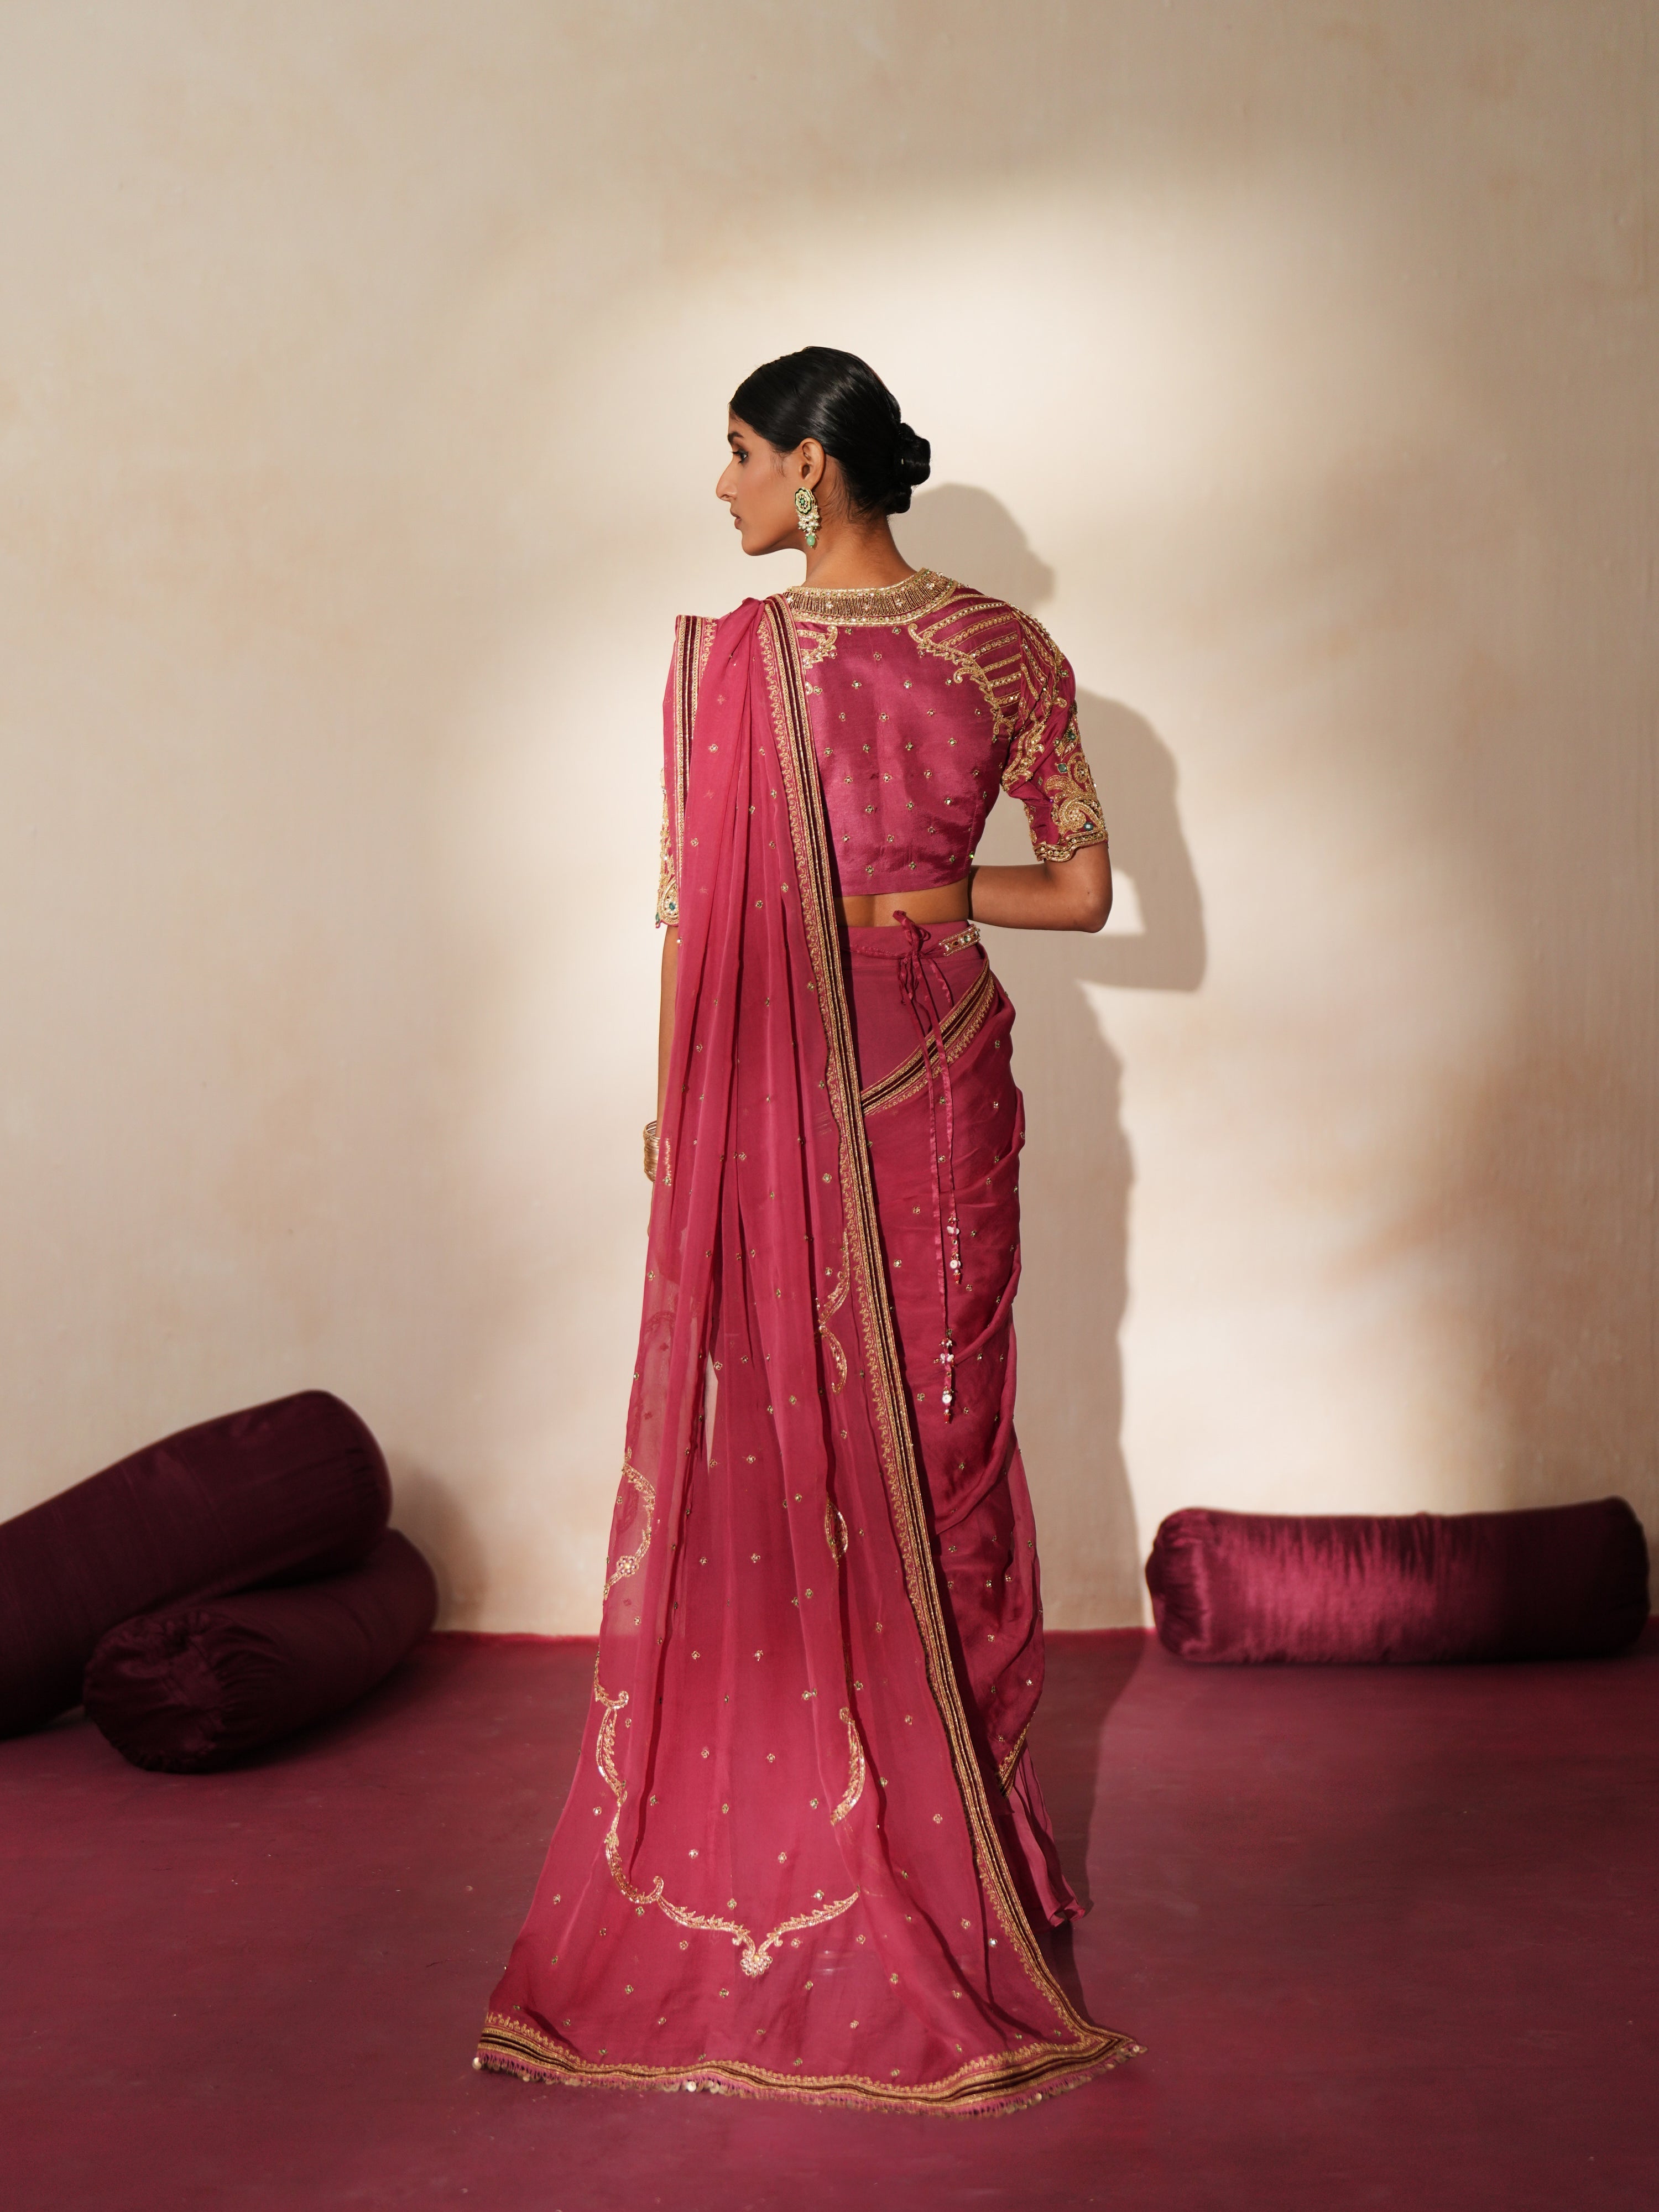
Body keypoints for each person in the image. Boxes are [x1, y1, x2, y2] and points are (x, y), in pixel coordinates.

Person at [477, 348, 1140, 2111]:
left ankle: (973, 1861)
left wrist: (942, 890)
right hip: (776, 1098)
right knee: (789, 1468)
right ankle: (846, 1838)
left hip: (932, 1105)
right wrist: (682, 1101)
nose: (723, 489)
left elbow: (1075, 884)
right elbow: (703, 916)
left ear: (815, 474)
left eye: (740, 454)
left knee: (943, 1455)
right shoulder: (732, 662)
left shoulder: (1000, 650)